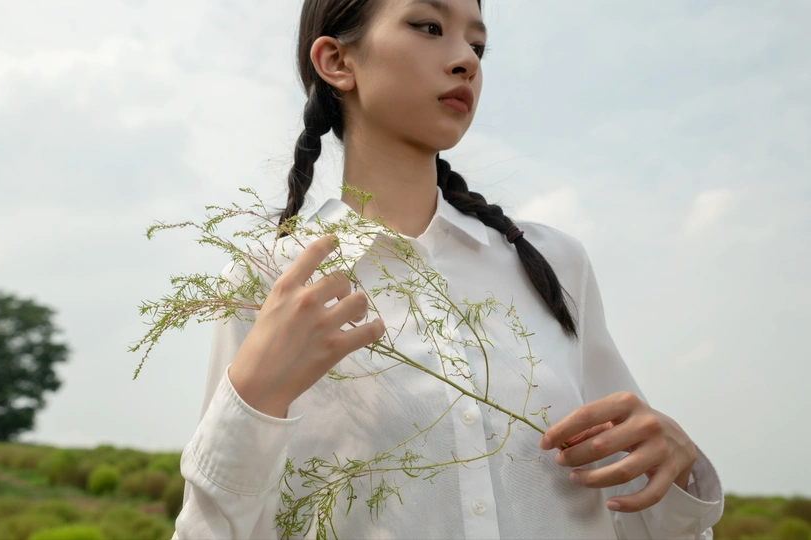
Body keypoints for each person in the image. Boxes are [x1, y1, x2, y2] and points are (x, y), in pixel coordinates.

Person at [173, 0, 724, 538]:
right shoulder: (269, 280)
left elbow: (631, 506)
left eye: (478, 45)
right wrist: (250, 399)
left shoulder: (553, 264)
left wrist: (677, 464)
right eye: (429, 26)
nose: (466, 60)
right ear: (337, 61)